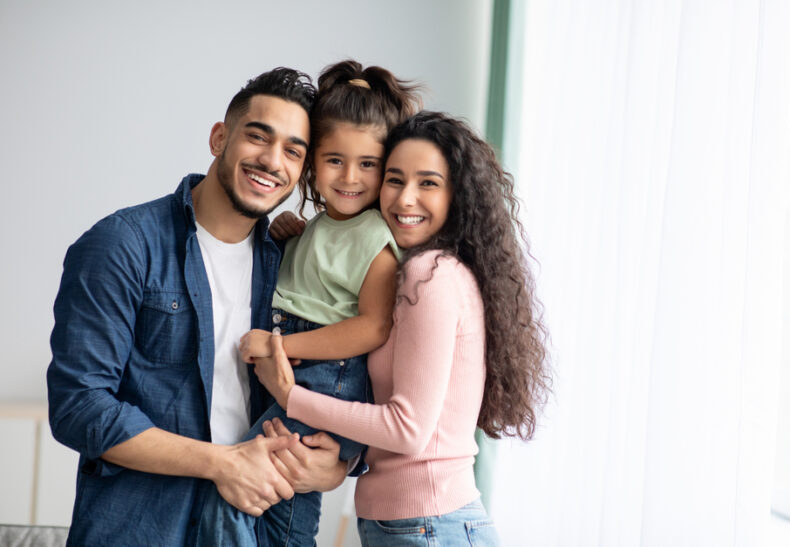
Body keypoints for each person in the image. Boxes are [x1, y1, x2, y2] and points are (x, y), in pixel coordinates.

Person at [46, 67, 349, 546]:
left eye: (293, 150)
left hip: (256, 528)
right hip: (142, 529)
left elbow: (338, 374)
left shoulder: (289, 264)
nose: (272, 161)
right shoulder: (122, 245)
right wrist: (223, 464)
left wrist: (340, 464)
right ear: (219, 138)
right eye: (258, 136)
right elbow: (79, 406)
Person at [256, 111, 552, 545]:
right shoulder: (411, 271)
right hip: (417, 523)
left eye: (427, 183)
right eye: (395, 180)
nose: (405, 199)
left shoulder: (431, 275)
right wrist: (299, 238)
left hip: (429, 524)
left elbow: (407, 430)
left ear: (458, 195)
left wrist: (290, 396)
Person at [194, 59, 421, 546]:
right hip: (303, 375)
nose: (350, 178)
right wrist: (288, 238)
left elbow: (372, 328)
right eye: (335, 160)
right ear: (312, 163)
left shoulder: (375, 236)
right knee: (278, 507)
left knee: (242, 495)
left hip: (326, 380)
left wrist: (280, 344)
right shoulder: (317, 226)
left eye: (368, 165)